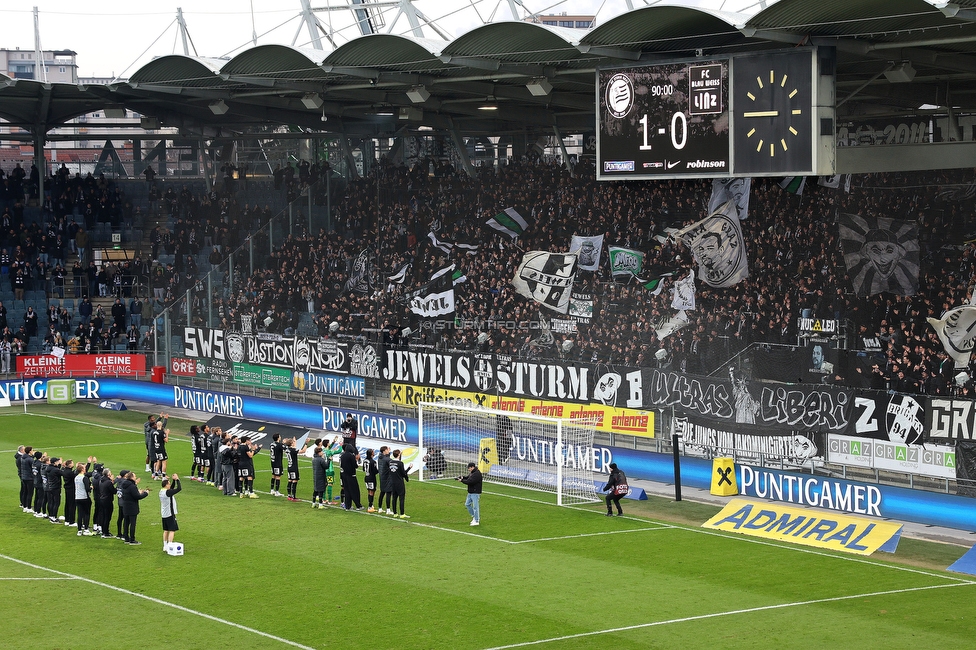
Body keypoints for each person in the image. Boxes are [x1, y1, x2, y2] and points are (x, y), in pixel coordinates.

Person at [120, 470, 151, 545]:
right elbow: (137, 497)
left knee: (126, 523)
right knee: (132, 523)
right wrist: (146, 493)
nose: (136, 477)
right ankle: (132, 539)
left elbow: (129, 494)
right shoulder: (132, 486)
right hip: (132, 507)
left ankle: (126, 538)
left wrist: (138, 492)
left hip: (125, 506)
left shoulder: (124, 485)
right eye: (135, 476)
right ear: (132, 477)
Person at [159, 474, 182, 553]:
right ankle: (170, 545)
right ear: (166, 485)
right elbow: (179, 489)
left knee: (166, 530)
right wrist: (177, 479)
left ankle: (165, 545)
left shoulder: (162, 491)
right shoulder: (168, 493)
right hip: (170, 513)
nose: (170, 485)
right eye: (168, 483)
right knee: (172, 530)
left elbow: (171, 489)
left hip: (164, 513)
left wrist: (173, 480)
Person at [456, 462, 483, 526]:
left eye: (469, 468)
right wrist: (462, 477)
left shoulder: (477, 474)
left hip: (475, 492)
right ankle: (474, 516)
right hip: (471, 492)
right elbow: (468, 478)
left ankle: (477, 521)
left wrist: (461, 481)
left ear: (472, 467)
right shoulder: (473, 472)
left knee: (475, 507)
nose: (468, 469)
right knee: (467, 504)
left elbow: (470, 482)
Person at [387, 450, 411, 519]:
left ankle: (395, 513)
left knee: (394, 498)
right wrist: (409, 468)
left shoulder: (390, 462)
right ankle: (402, 514)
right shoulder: (400, 463)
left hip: (392, 482)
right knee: (401, 498)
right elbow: (403, 474)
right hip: (399, 483)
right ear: (399, 455)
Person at [339, 444, 363, 511]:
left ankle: (348, 506)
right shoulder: (351, 456)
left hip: (344, 475)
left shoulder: (342, 455)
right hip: (351, 475)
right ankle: (358, 506)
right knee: (355, 491)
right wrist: (356, 460)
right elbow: (355, 466)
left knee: (347, 491)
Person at [284, 437, 307, 502]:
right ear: (291, 443)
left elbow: (294, 447)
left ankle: (289, 495)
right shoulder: (293, 450)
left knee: (290, 480)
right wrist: (306, 443)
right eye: (293, 442)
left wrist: (295, 441)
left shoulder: (287, 450)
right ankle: (294, 497)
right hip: (294, 468)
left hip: (289, 467)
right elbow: (303, 451)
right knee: (294, 481)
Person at [74, 462, 93, 536]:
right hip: (84, 497)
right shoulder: (84, 478)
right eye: (84, 468)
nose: (85, 469)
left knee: (79, 514)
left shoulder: (76, 477)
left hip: (77, 497)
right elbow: (87, 488)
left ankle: (79, 530)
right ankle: (86, 529)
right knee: (86, 513)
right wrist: (91, 487)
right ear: (82, 469)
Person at [97, 468, 116, 538]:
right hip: (107, 500)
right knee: (107, 517)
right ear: (108, 474)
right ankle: (106, 532)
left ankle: (103, 531)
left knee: (104, 516)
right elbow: (114, 491)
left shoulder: (101, 480)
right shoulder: (108, 482)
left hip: (102, 499)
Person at [377, 446, 392, 515]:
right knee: (388, 493)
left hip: (381, 477)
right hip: (387, 477)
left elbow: (386, 458)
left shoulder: (380, 457)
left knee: (382, 492)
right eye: (387, 450)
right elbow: (391, 462)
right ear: (384, 451)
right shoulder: (386, 459)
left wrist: (388, 453)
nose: (388, 451)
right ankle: (388, 510)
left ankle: (380, 508)